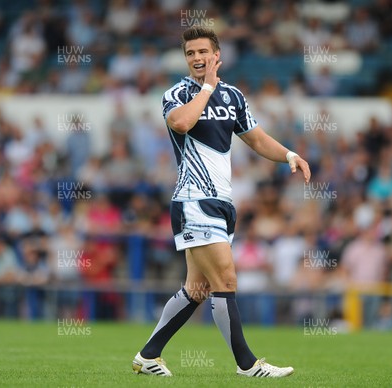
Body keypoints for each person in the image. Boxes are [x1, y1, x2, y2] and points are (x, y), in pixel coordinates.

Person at [132, 26, 311, 378]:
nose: (197, 58)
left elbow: (257, 140)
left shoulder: (233, 96)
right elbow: (182, 123)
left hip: (222, 202)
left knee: (197, 289)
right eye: (190, 53)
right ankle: (248, 365)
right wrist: (208, 87)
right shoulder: (176, 93)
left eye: (203, 52)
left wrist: (289, 154)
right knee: (226, 281)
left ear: (217, 55)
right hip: (194, 199)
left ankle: (148, 356)